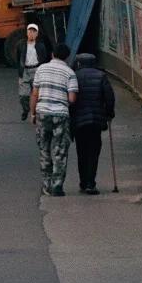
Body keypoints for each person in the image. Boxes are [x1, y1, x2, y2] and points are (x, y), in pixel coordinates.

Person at [29, 40, 79, 197]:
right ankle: (57, 186)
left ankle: (46, 184)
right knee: (60, 151)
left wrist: (33, 114)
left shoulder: (41, 69)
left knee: (44, 149)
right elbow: (72, 99)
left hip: (43, 113)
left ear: (52, 55)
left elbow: (35, 94)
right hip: (61, 115)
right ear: (67, 57)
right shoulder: (70, 73)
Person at [72, 51, 116, 194]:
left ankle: (83, 182)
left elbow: (71, 98)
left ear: (79, 63)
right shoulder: (101, 76)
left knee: (81, 152)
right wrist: (109, 113)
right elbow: (109, 97)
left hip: (79, 121)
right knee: (93, 152)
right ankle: (91, 183)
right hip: (96, 120)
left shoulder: (74, 76)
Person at [16, 22, 51, 121]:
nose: (31, 33)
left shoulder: (41, 46)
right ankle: (26, 109)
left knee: (38, 94)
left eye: (34, 32)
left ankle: (36, 112)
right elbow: (18, 58)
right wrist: (20, 71)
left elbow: (44, 59)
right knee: (23, 95)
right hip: (25, 70)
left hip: (37, 70)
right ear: (26, 33)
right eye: (29, 31)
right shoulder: (21, 44)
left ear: (37, 34)